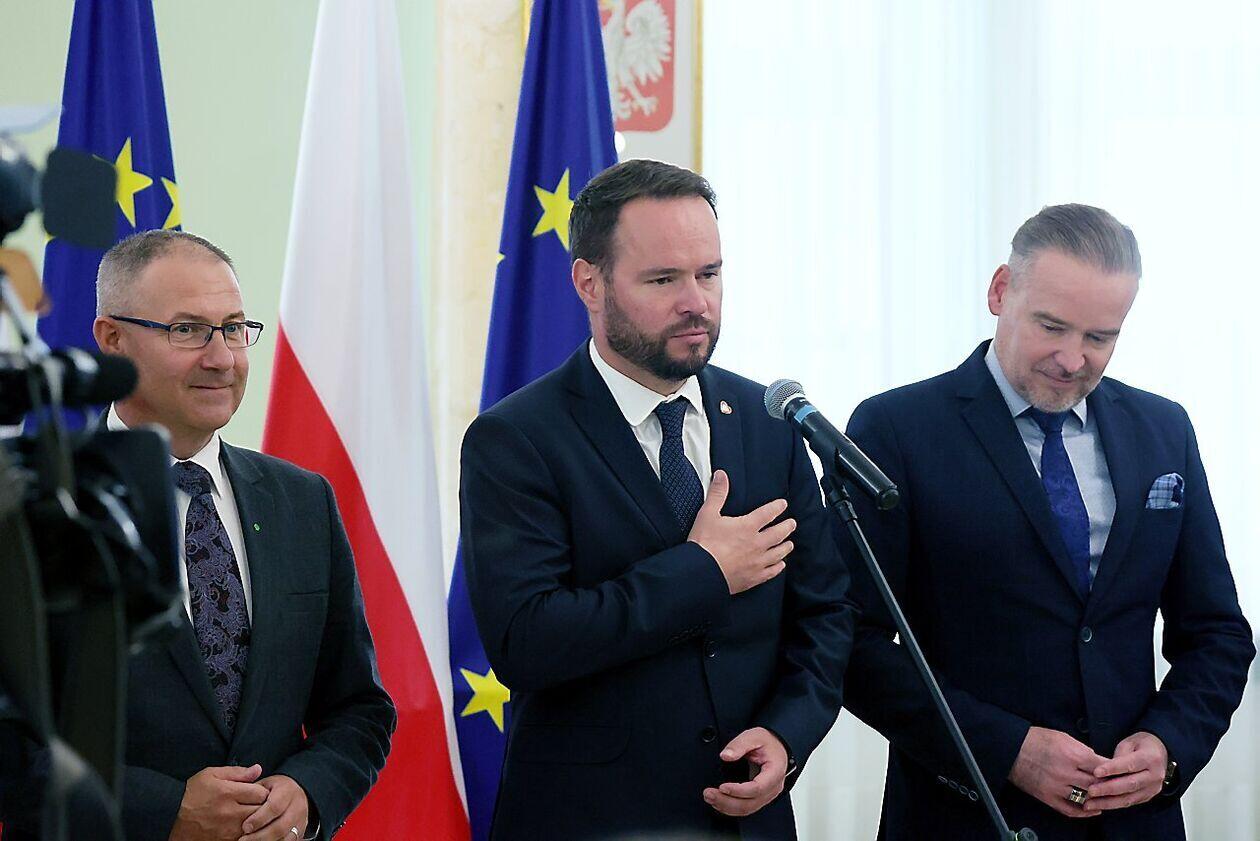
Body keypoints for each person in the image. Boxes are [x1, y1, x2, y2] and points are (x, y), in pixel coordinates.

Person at [459, 159, 854, 840]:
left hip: (747, 818)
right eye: (664, 279)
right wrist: (703, 572)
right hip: (589, 821)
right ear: (589, 283)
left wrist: (788, 736)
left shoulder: (769, 422)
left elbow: (826, 614)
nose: (696, 301)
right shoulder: (516, 439)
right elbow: (527, 640)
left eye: (710, 273)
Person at [841, 204, 1254, 841]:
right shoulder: (894, 429)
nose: (1071, 359)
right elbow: (851, 641)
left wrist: (1168, 745)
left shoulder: (1164, 429)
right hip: (965, 817)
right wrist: (1007, 750)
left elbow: (1218, 633)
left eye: (1100, 338)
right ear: (1000, 291)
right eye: (1051, 326)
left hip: (1133, 823)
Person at [90, 230, 394, 841]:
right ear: (112, 340)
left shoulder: (303, 501)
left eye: (233, 329)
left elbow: (358, 708)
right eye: (188, 330)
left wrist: (307, 793)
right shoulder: (36, 505)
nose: (222, 358)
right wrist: (163, 811)